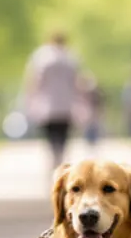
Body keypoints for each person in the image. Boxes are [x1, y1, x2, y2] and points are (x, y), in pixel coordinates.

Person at [21, 31, 88, 173]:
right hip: (66, 106)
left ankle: (54, 161)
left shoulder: (42, 58)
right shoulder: (71, 58)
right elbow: (78, 83)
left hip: (48, 107)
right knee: (63, 137)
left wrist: (30, 100)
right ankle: (60, 161)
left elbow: (35, 81)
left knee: (51, 138)